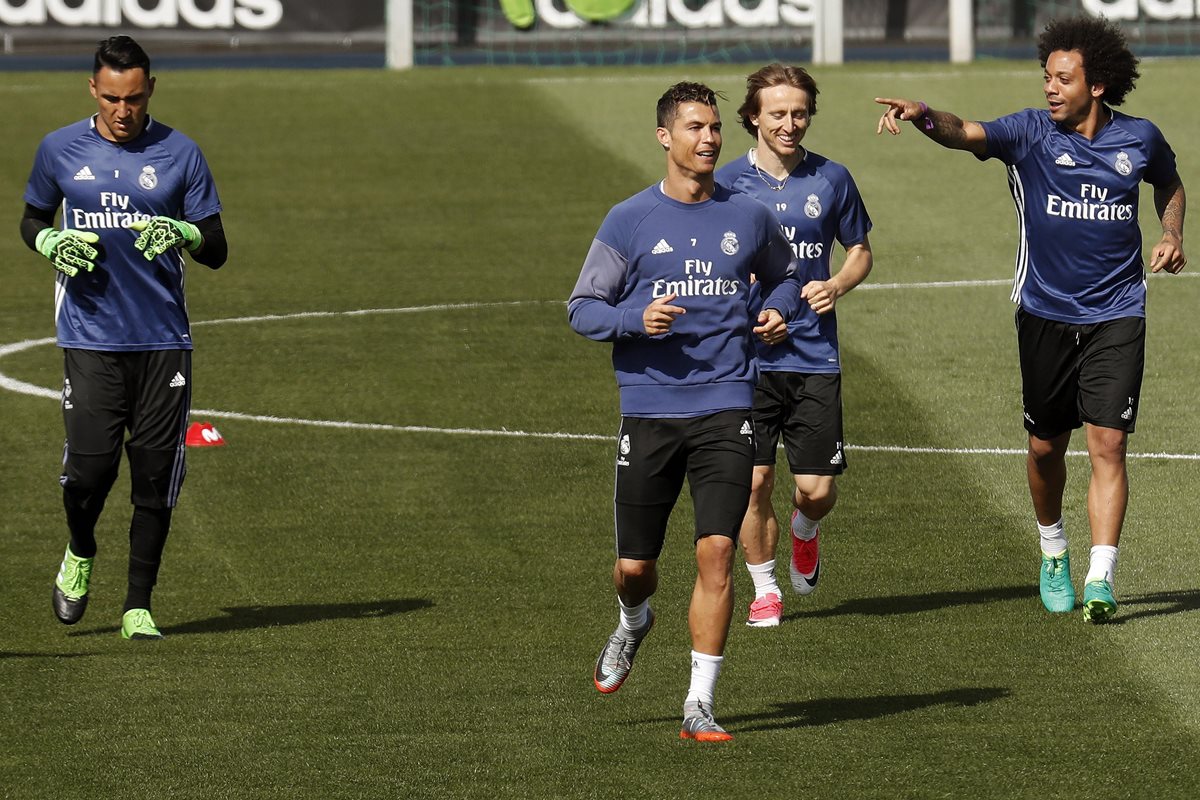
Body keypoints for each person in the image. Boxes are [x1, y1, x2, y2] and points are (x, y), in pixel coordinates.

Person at [875, 16, 1185, 623]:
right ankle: (1052, 549)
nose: (1051, 87)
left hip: (1119, 311)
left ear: (1096, 85)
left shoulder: (1140, 138)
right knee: (1046, 447)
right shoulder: (1028, 133)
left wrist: (1172, 232)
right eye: (1047, 76)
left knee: (1109, 442)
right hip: (1044, 312)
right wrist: (924, 114)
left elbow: (1169, 182)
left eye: (1063, 79)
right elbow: (966, 131)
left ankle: (1101, 576)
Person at [568, 81, 801, 740]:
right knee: (634, 568)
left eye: (715, 128)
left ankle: (699, 702)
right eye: (695, 128)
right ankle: (633, 622)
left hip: (729, 404)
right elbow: (582, 309)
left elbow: (785, 275)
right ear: (665, 137)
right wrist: (635, 319)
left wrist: (780, 307)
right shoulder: (628, 220)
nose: (709, 139)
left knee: (718, 555)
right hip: (649, 411)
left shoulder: (748, 217)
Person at [20, 35, 229, 640]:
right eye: (111, 97)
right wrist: (48, 242)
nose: (122, 110)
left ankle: (138, 605)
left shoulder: (182, 154)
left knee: (155, 474)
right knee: (87, 472)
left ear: (150, 90)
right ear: (93, 89)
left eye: (133, 98)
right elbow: (32, 217)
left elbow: (216, 247)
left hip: (163, 340)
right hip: (88, 337)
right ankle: (80, 550)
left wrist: (184, 233)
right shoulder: (58, 149)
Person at [716, 64, 873, 627]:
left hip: (813, 357)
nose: (790, 123)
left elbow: (860, 250)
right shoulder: (725, 183)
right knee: (754, 481)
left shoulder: (832, 179)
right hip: (745, 361)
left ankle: (806, 529)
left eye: (799, 112)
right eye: (777, 113)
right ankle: (765, 587)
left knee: (816, 489)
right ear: (753, 116)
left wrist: (836, 284)